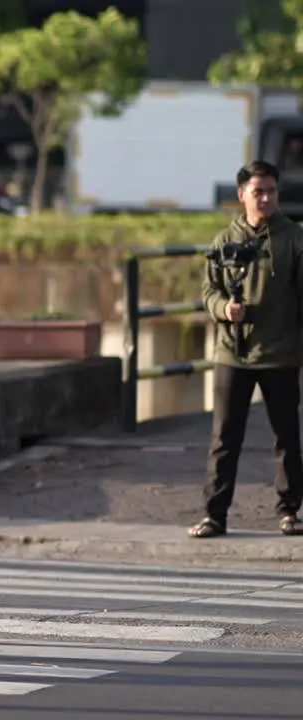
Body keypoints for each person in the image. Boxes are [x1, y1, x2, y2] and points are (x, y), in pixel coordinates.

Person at [190, 160, 303, 539]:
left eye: (271, 191)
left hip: (281, 353)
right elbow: (209, 291)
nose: (266, 198)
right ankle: (214, 516)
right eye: (258, 192)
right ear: (242, 195)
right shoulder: (225, 240)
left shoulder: (294, 238)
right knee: (224, 438)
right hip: (231, 353)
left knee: (286, 437)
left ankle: (289, 511)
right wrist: (225, 309)